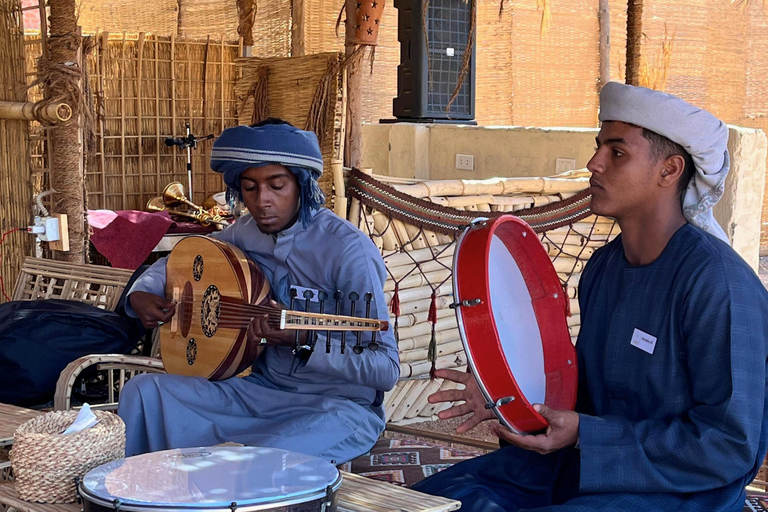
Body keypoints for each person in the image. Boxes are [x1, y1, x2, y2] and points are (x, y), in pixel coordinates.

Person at [412, 82, 768, 511]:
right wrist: (510, 397)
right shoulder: (604, 267)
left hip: (679, 492)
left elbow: (727, 446)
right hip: (585, 465)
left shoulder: (717, 284)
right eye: (599, 148)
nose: (593, 164)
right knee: (436, 500)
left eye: (617, 153)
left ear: (669, 170)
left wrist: (586, 434)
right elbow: (584, 396)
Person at [117, 119, 400, 464]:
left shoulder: (348, 251)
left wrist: (303, 339)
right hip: (258, 393)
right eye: (250, 188)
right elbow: (184, 259)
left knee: (252, 460)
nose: (262, 201)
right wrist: (142, 292)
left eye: (277, 185)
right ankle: (136, 492)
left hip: (335, 407)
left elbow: (385, 370)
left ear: (301, 184)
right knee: (145, 393)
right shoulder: (246, 232)